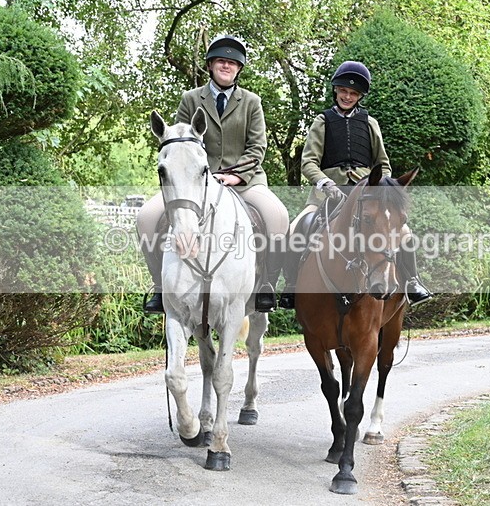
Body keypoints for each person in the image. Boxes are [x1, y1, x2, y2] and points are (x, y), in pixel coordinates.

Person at [136, 34, 289, 313]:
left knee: (278, 216)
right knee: (146, 217)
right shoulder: (191, 98)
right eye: (221, 61)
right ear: (210, 65)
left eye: (232, 63)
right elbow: (179, 141)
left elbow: (258, 146)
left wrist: (237, 175)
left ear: (239, 68)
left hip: (244, 181)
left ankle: (266, 284)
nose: (226, 66)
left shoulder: (252, 102)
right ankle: (160, 287)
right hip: (196, 183)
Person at [278, 61, 432, 309]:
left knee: (404, 232)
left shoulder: (370, 123)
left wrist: (381, 188)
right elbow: (308, 162)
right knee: (296, 227)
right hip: (326, 196)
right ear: (336, 91)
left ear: (359, 96)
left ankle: (412, 282)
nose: (347, 96)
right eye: (343, 91)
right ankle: (292, 287)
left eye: (353, 93)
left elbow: (383, 163)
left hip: (367, 195)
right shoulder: (322, 122)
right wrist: (325, 183)